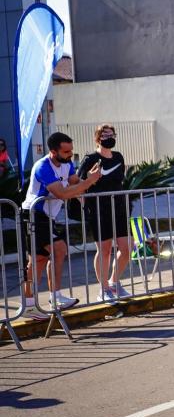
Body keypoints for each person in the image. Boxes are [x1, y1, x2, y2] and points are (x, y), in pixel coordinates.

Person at [21, 132, 100, 319]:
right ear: (53, 151)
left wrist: (86, 183)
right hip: (33, 215)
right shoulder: (43, 167)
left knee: (38, 260)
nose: (70, 154)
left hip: (47, 217)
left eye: (71, 150)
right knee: (59, 248)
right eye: (66, 151)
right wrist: (88, 182)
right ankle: (53, 298)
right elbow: (62, 193)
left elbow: (75, 183)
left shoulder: (67, 164)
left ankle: (30, 304)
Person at [78, 124, 131, 304]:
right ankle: (104, 289)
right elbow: (78, 183)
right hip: (98, 210)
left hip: (119, 208)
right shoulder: (91, 158)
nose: (109, 137)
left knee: (127, 248)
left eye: (112, 134)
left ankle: (114, 282)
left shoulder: (118, 157)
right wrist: (84, 203)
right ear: (98, 137)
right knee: (105, 249)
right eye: (105, 134)